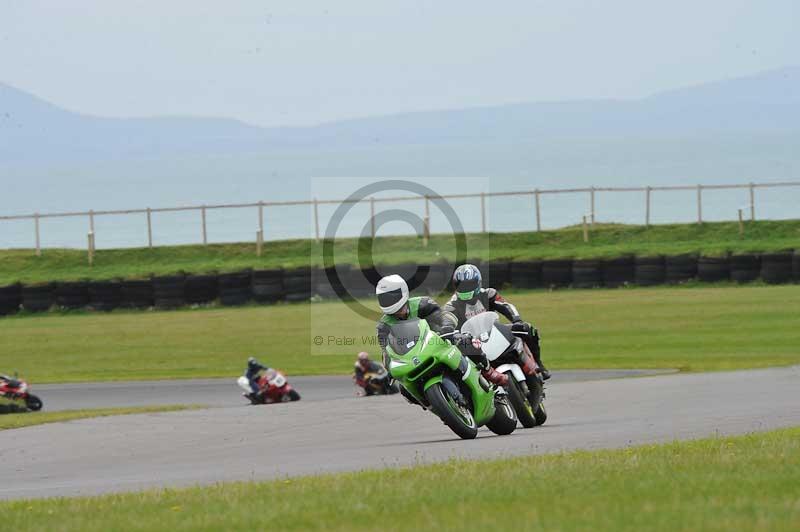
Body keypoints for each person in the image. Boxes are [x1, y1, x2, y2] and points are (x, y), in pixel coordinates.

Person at [375, 274, 509, 396]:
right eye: (385, 298)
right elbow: (386, 351)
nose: (389, 301)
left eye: (391, 296)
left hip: (439, 341)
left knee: (466, 341)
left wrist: (446, 328)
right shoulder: (383, 326)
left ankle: (489, 373)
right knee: (404, 389)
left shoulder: (422, 304)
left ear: (402, 292)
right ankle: (433, 405)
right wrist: (389, 368)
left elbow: (444, 316)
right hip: (414, 357)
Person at [444, 264, 551, 380]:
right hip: (472, 343)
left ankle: (538, 364)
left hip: (495, 332)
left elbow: (506, 306)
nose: (466, 288)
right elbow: (446, 322)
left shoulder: (488, 294)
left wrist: (517, 320)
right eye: (462, 285)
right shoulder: (451, 306)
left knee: (526, 328)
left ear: (477, 283)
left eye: (469, 284)